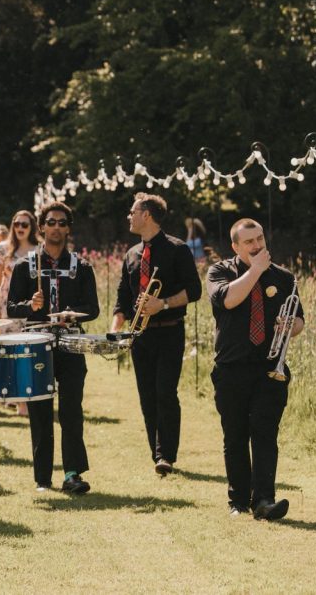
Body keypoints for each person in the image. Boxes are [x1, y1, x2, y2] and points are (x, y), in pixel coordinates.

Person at [207, 218, 304, 520]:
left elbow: (299, 319)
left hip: (269, 369)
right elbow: (230, 300)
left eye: (259, 238)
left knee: (264, 434)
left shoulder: (284, 277)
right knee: (235, 435)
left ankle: (264, 500)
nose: (257, 245)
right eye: (249, 242)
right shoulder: (219, 272)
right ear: (235, 246)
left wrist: (292, 326)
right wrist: (256, 270)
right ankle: (238, 499)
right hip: (231, 368)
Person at [7, 202, 99, 493]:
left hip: (70, 343)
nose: (56, 227)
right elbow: (11, 307)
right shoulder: (25, 267)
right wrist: (28, 305)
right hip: (36, 343)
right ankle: (42, 478)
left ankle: (72, 474)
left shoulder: (81, 267)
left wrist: (72, 313)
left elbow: (93, 308)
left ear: (68, 228)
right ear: (41, 227)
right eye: (51, 222)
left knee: (71, 409)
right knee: (40, 411)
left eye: (62, 223)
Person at [110, 193, 202, 476]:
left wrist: (161, 303)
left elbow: (194, 291)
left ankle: (166, 455)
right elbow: (123, 298)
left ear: (146, 214)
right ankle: (156, 453)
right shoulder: (131, 254)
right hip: (140, 335)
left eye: (132, 211)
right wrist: (115, 329)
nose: (129, 216)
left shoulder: (178, 249)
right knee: (147, 395)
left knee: (165, 392)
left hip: (170, 332)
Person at [0, 210, 39, 324]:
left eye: (24, 224)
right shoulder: (2, 249)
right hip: (8, 307)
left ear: (31, 227)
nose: (20, 227)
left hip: (33, 307)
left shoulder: (40, 249)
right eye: (17, 224)